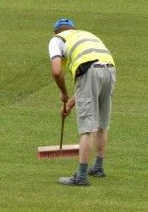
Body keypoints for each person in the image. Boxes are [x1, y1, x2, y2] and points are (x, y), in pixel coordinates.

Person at [49, 18, 117, 186]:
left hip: (89, 70)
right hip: (110, 69)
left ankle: (80, 176)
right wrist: (70, 104)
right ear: (73, 28)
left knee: (87, 128)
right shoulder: (85, 35)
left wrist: (63, 93)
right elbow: (87, 87)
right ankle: (98, 168)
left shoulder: (57, 40)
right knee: (102, 123)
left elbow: (57, 72)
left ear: (55, 32)